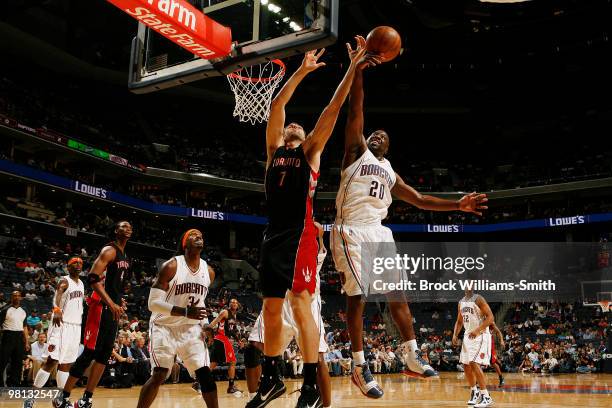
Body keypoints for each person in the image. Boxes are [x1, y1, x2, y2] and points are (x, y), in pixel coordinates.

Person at [331, 35, 488, 399]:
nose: (377, 135)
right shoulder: (356, 153)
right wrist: (357, 70)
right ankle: (358, 364)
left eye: (383, 136)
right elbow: (357, 109)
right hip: (351, 230)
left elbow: (420, 200)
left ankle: (412, 354)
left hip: (379, 232)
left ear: (388, 148)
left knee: (397, 295)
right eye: (374, 133)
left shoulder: (389, 173)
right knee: (358, 297)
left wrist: (458, 206)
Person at [250, 38, 374, 408]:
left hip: (300, 235)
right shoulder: (274, 153)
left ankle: (308, 386)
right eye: (291, 125)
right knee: (272, 308)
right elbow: (276, 104)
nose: (294, 125)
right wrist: (301, 72)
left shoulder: (309, 153)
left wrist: (353, 67)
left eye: (299, 128)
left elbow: (333, 108)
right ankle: (271, 379)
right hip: (273, 235)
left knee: (302, 305)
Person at [247, 221, 332, 408]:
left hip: (306, 299)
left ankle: (324, 404)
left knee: (318, 357)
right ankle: (261, 392)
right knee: (253, 347)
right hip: (280, 299)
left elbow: (316, 234)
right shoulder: (278, 229)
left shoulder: (312, 230)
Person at [53, 221, 132, 408]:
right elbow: (92, 278)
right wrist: (111, 302)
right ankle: (62, 397)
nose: (127, 228)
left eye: (129, 227)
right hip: (99, 308)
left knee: (104, 356)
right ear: (115, 231)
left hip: (112, 310)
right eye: (123, 226)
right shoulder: (109, 250)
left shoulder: (125, 256)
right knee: (89, 353)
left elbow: (114, 286)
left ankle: (86, 398)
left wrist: (119, 301)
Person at [136, 229, 217, 408]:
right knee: (159, 374)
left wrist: (205, 325)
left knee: (205, 374)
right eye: (194, 235)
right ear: (184, 243)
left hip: (190, 328)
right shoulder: (171, 266)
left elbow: (199, 302)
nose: (199, 237)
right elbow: (153, 303)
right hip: (164, 326)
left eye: (201, 236)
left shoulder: (208, 271)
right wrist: (185, 312)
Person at [25, 257, 85, 407]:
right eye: (74, 263)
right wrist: (56, 309)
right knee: (52, 361)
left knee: (66, 364)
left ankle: (60, 399)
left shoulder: (82, 283)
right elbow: (57, 295)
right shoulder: (64, 281)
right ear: (68, 267)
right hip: (61, 324)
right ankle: (31, 397)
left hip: (75, 326)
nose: (78, 265)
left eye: (80, 263)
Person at [453, 289, 494, 407]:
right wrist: (455, 334)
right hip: (468, 335)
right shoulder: (461, 302)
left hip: (480, 334)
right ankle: (474, 392)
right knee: (466, 365)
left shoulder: (478, 299)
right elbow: (459, 321)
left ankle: (486, 396)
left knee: (474, 362)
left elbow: (491, 317)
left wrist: (477, 330)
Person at [207, 298, 242, 394]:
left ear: (238, 305)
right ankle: (231, 387)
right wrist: (207, 333)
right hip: (222, 338)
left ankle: (198, 381)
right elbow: (214, 322)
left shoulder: (234, 315)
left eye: (235, 302)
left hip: (221, 339)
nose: (234, 303)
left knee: (214, 363)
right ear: (229, 304)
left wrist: (238, 340)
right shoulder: (225, 312)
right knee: (232, 362)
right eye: (232, 302)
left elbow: (232, 331)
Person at [0, 291, 29, 387]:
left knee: (17, 362)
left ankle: (14, 385)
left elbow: (24, 327)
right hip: (7, 336)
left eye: (18, 296)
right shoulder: (5, 309)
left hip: (19, 337)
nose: (16, 297)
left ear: (21, 298)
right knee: (2, 361)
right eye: (14, 296)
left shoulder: (24, 310)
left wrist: (27, 342)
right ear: (11, 297)